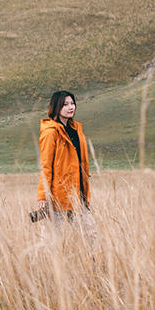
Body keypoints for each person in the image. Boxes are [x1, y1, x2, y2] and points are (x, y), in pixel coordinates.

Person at [35, 90, 90, 223]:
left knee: (90, 234)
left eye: (72, 103)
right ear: (56, 106)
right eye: (65, 104)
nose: (71, 107)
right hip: (59, 197)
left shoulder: (76, 130)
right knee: (54, 240)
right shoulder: (50, 133)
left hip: (79, 195)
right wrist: (43, 195)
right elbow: (46, 166)